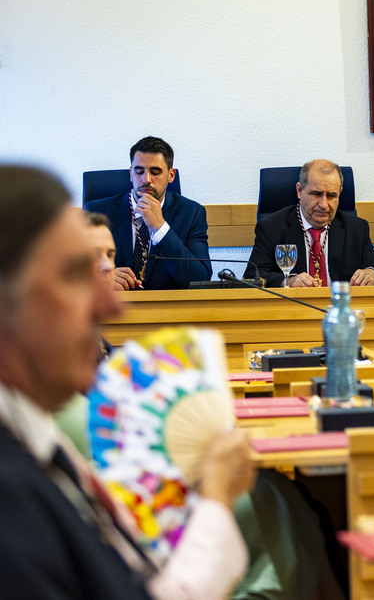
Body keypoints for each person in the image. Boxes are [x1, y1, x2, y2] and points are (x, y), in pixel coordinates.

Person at [0, 165, 254, 599]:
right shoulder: (10, 495)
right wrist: (214, 499)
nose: (111, 306)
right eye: (76, 275)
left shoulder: (38, 436)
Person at [85, 136, 211, 290]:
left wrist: (161, 229)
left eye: (155, 172)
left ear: (171, 175)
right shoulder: (97, 211)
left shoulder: (191, 214)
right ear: (131, 174)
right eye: (139, 171)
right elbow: (71, 270)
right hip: (115, 307)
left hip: (168, 309)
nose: (146, 179)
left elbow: (200, 280)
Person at [245, 159, 374, 287]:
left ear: (339, 193)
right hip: (294, 310)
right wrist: (288, 281)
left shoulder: (357, 228)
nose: (324, 204)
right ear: (300, 190)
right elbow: (251, 277)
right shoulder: (271, 227)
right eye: (316, 194)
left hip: (340, 309)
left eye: (332, 195)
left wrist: (372, 274)